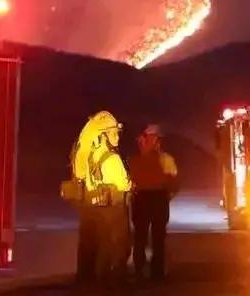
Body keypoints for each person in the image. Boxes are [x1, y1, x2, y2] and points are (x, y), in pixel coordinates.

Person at [71, 111, 132, 286]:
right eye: (113, 133)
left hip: (95, 208)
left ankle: (89, 282)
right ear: (103, 136)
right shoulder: (111, 159)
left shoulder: (89, 158)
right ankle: (111, 283)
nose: (117, 138)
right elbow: (124, 184)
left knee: (94, 246)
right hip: (113, 209)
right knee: (117, 246)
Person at [128, 124, 178, 281]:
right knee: (157, 237)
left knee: (141, 236)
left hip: (142, 199)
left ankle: (139, 270)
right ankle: (156, 272)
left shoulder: (134, 160)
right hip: (157, 199)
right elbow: (174, 182)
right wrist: (167, 195)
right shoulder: (165, 159)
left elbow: (130, 182)